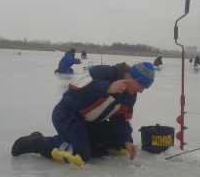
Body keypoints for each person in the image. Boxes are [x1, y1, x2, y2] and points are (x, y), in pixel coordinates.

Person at [12, 62, 155, 166]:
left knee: (120, 145)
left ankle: (84, 141)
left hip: (91, 123)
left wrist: (126, 140)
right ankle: (36, 142)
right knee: (80, 155)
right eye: (141, 86)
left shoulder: (130, 96)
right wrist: (107, 88)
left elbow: (120, 120)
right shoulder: (105, 72)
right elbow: (74, 86)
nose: (141, 91)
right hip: (68, 115)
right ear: (132, 78)